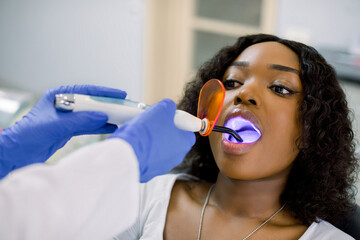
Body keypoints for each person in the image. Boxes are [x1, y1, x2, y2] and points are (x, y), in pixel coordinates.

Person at [115, 34, 359, 239]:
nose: (245, 93)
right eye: (232, 82)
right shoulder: (144, 197)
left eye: (280, 88)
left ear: (311, 129)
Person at [0, 85, 195, 239]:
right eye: (226, 84)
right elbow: (24, 219)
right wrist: (124, 156)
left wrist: (5, 151)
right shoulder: (153, 194)